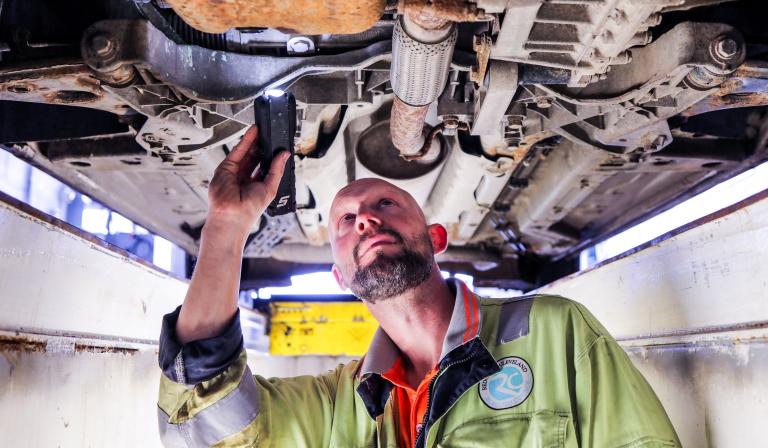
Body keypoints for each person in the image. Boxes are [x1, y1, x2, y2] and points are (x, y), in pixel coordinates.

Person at [156, 125, 681, 448]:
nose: (364, 220)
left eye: (385, 205)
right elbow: (203, 418)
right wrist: (226, 224)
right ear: (340, 277)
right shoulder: (339, 404)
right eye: (346, 221)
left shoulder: (555, 331)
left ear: (434, 238)